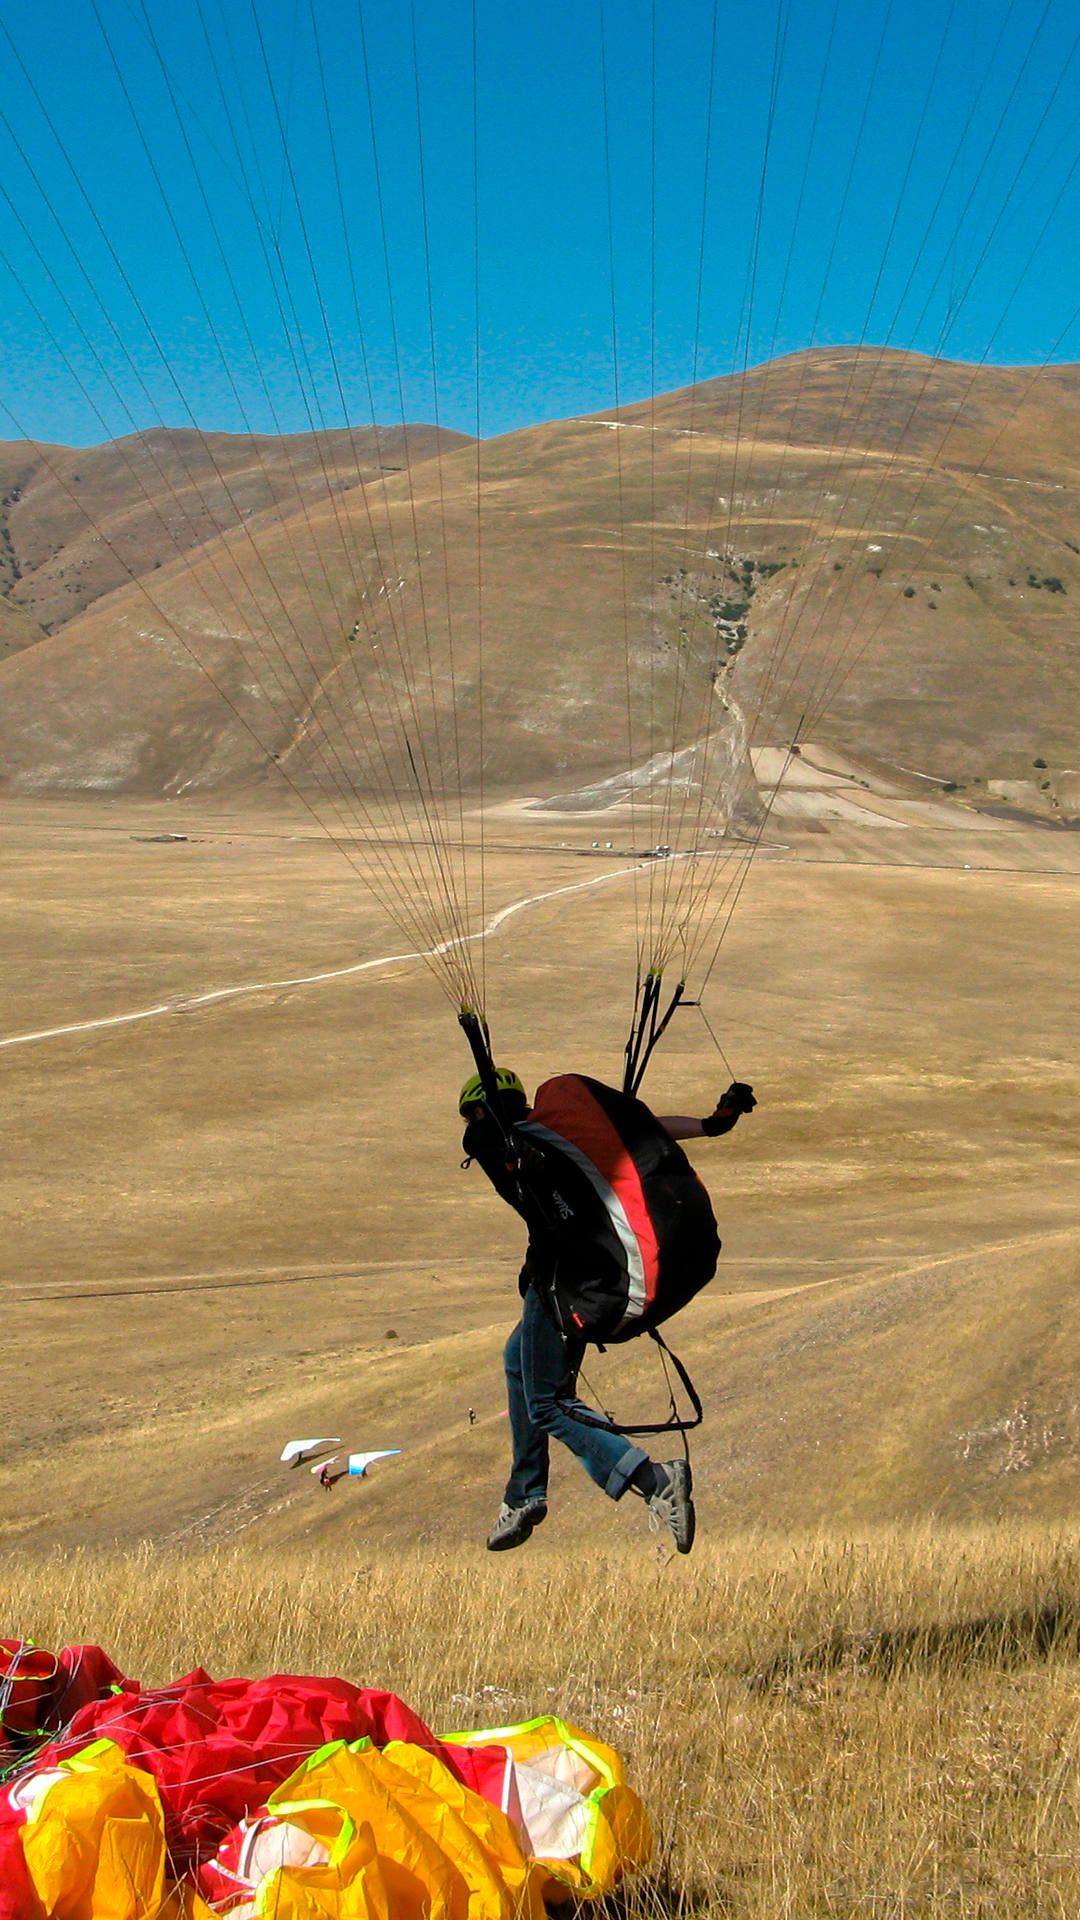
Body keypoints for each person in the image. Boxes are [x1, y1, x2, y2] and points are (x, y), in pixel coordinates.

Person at [459, 1066, 756, 1555]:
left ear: (479, 1113)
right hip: (593, 1271)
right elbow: (646, 1129)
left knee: (548, 1402)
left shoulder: (511, 1145)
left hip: (572, 1281)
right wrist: (710, 1125)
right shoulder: (556, 1133)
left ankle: (654, 1480)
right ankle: (524, 1492)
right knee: (518, 1361)